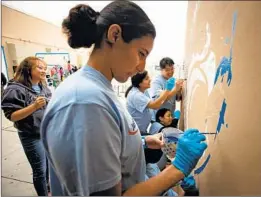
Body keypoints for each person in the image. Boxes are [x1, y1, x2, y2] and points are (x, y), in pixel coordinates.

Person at [40, 1, 207, 196]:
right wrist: (178, 169)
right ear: (114, 35)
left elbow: (106, 144)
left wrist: (141, 142)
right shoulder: (86, 103)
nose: (141, 66)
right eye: (141, 53)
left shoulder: (98, 90)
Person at [1, 57, 52, 196]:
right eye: (40, 67)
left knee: (47, 166)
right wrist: (34, 106)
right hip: (31, 136)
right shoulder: (14, 89)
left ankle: (47, 189)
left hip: (46, 133)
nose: (43, 70)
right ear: (28, 69)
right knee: (40, 170)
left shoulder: (43, 86)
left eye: (44, 67)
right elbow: (11, 116)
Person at [149, 57, 183, 127]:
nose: (170, 72)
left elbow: (178, 99)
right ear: (161, 70)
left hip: (169, 118)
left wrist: (179, 91)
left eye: (172, 69)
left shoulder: (173, 80)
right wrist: (175, 89)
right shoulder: (157, 82)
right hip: (160, 119)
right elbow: (160, 101)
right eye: (167, 70)